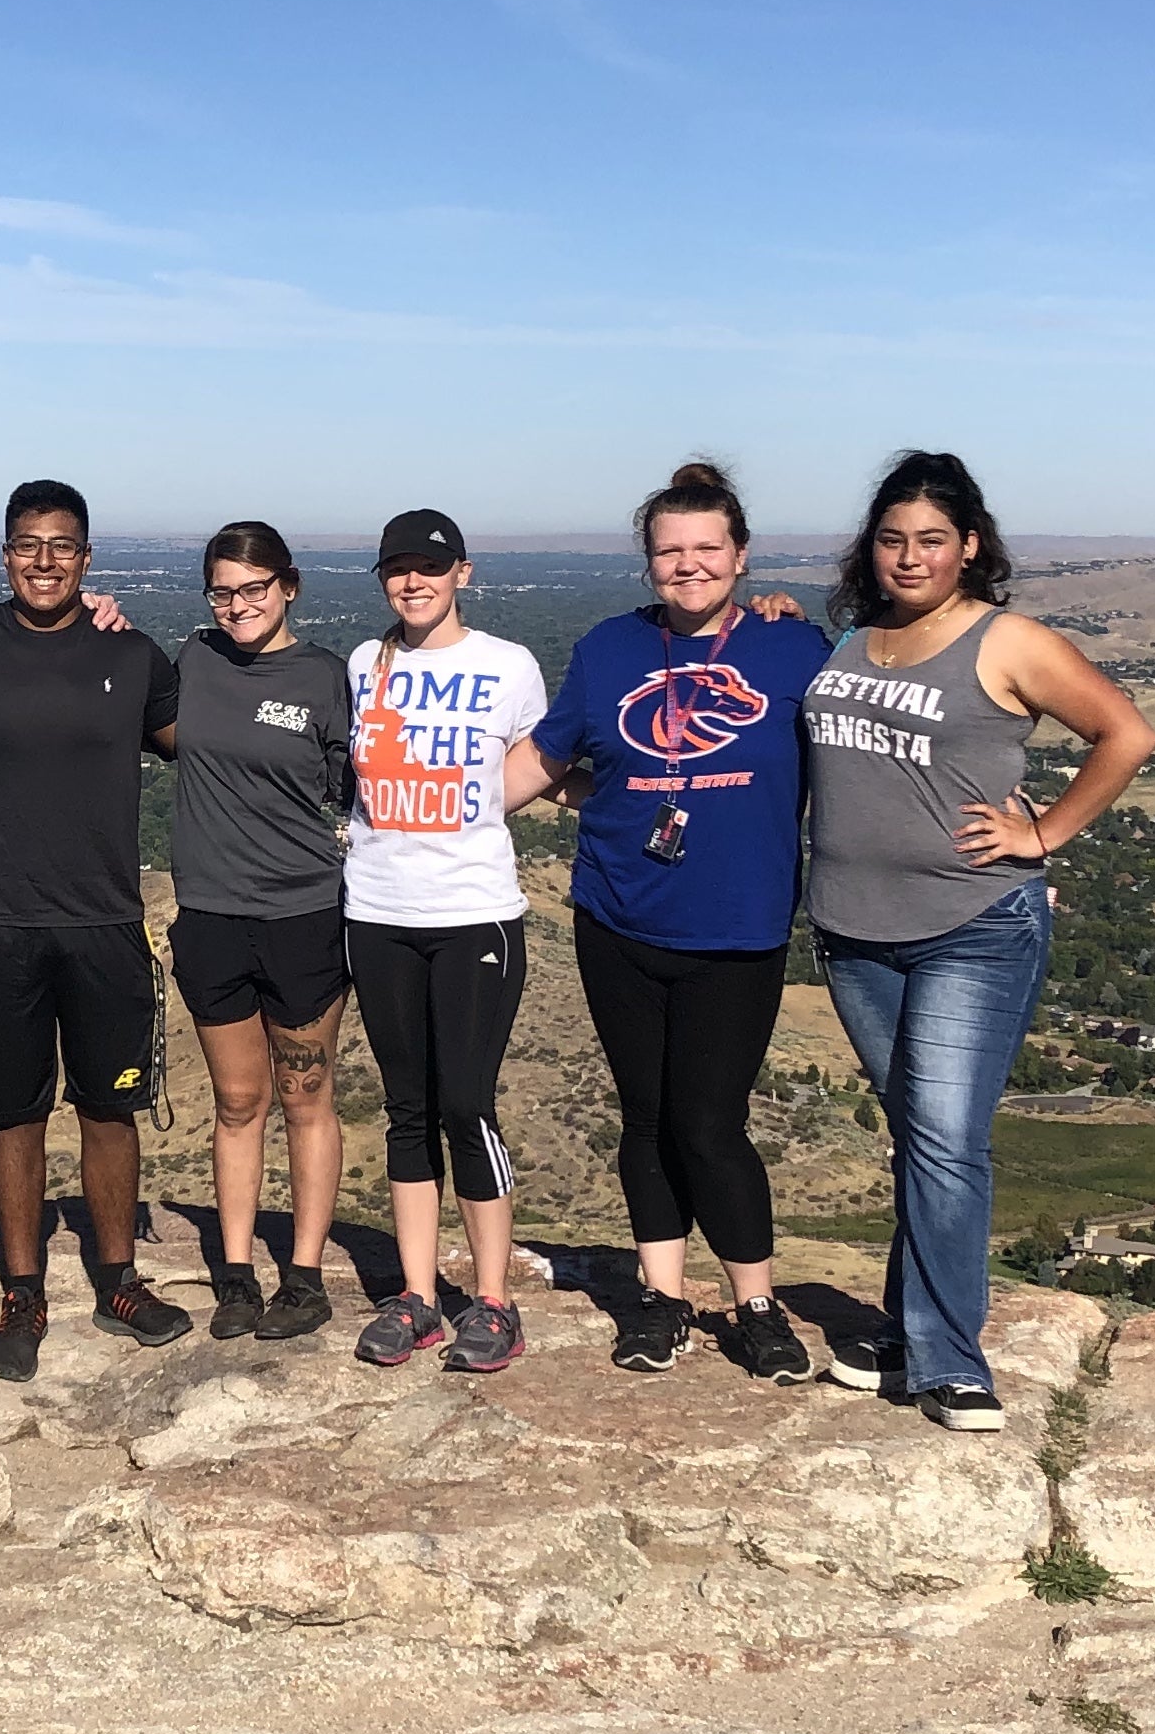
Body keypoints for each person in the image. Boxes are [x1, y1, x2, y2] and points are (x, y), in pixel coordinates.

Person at [802, 449, 1155, 1433]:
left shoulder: (1008, 642)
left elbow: (1124, 733)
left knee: (948, 1137)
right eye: (890, 538)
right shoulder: (849, 638)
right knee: (918, 1133)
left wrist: (1042, 833)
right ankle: (906, 1326)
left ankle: (950, 1360)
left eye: (930, 539)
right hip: (852, 928)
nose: (908, 556)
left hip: (974, 922)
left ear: (969, 547)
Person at [531, 461, 829, 1386]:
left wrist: (1012, 827)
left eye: (707, 549)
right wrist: (409, 816)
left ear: (741, 557)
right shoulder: (609, 649)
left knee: (710, 1122)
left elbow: (879, 753)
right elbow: (543, 762)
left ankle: (754, 1304)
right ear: (647, 562)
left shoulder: (795, 648)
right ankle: (660, 1300)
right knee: (646, 1117)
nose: (688, 565)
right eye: (670, 551)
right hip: (618, 915)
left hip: (737, 929)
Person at [0, 480, 186, 1382]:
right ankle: (22, 1292)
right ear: (3, 554)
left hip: (106, 918)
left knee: (111, 1106)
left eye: (61, 545)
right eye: (27, 544)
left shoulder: (136, 656)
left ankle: (118, 1281)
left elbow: (220, 749)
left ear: (87, 558)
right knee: (13, 1109)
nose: (43, 560)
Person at [340, 509, 560, 1373]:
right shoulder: (364, 663)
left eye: (428, 567)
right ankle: (420, 1297)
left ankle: (495, 1300)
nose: (412, 581)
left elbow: (540, 765)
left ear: (461, 572)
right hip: (379, 909)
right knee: (407, 1110)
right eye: (397, 568)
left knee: (466, 1104)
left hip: (473, 912)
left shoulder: (506, 665)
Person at [166, 518, 352, 1343]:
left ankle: (304, 1276)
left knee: (306, 1096)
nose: (239, 605)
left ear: (289, 586)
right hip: (210, 914)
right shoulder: (194, 660)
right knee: (238, 1102)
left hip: (304, 912)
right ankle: (237, 1275)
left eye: (255, 588)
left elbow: (368, 782)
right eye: (224, 591)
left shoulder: (327, 677)